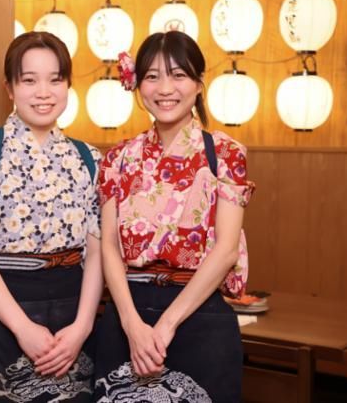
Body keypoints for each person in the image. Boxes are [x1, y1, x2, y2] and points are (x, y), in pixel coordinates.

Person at [94, 31, 255, 402]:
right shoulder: (118, 157)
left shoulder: (225, 153)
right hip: (127, 314)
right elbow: (110, 247)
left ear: (199, 83)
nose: (165, 88)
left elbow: (226, 250)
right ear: (138, 86)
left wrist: (165, 325)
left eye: (178, 75)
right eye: (152, 76)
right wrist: (132, 325)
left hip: (198, 314)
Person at [0, 31, 103, 402]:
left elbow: (99, 249)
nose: (43, 92)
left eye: (55, 80)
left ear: (68, 85)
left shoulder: (89, 159)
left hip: (71, 315)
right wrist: (22, 328)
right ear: (10, 88)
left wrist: (82, 326)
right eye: (29, 80)